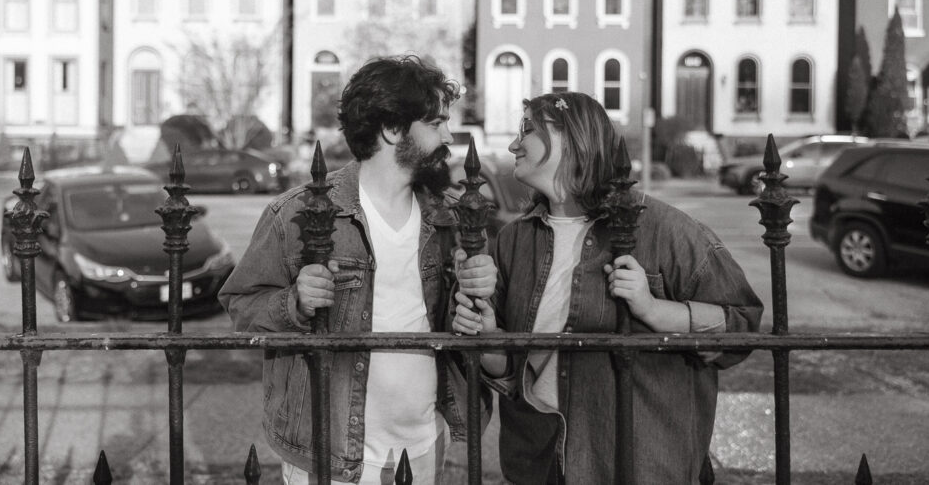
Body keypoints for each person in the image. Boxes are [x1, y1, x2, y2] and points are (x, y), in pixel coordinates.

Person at [453, 92, 763, 484]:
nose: (515, 144)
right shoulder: (516, 240)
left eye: (527, 130)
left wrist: (654, 311)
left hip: (637, 465)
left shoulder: (663, 229)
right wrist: (488, 338)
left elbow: (742, 325)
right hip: (542, 464)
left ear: (572, 138)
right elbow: (511, 370)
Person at [219, 55, 496, 485]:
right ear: (392, 129)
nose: (448, 136)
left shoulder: (451, 218)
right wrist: (295, 304)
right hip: (328, 451)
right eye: (436, 122)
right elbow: (241, 305)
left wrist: (479, 289)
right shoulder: (298, 213)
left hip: (426, 443)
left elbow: (470, 325)